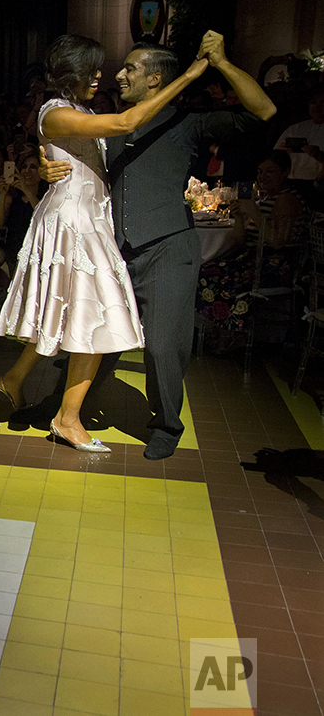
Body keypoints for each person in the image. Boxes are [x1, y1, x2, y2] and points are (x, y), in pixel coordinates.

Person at [39, 32, 275, 459]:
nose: (119, 74)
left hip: (168, 248)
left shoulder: (190, 122)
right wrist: (45, 165)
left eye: (130, 68)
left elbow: (263, 111)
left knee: (164, 345)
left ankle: (166, 424)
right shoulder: (111, 125)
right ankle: (64, 410)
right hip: (117, 249)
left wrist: (220, 63)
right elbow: (72, 156)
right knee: (95, 335)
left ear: (155, 79)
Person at [0, 34, 210, 453]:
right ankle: (67, 418)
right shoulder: (56, 112)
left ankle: (17, 381)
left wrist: (45, 163)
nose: (101, 76)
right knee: (92, 320)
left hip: (89, 220)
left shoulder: (78, 110)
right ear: (71, 70)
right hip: (74, 224)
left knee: (66, 316)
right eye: (92, 69)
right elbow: (126, 124)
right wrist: (190, 75)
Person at [196, 151, 306, 340]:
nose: (263, 176)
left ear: (285, 172)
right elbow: (241, 243)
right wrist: (239, 217)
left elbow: (277, 242)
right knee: (203, 269)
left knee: (210, 275)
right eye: (260, 171)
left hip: (276, 265)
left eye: (270, 171)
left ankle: (233, 333)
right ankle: (224, 331)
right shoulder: (263, 200)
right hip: (253, 259)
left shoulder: (286, 199)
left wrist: (254, 212)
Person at [0, 146, 47, 351]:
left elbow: (45, 220)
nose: (29, 171)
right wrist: (4, 194)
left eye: (33, 166)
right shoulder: (13, 195)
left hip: (35, 254)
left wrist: (28, 192)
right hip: (12, 251)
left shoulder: (47, 195)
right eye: (25, 167)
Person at [274, 85, 324, 183]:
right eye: (313, 102)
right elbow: (274, 158)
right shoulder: (295, 129)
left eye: (323, 102)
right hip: (292, 183)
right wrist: (281, 152)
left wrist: (319, 155)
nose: (317, 107)